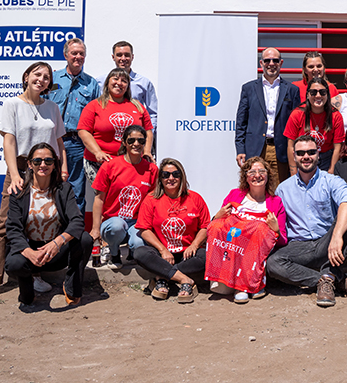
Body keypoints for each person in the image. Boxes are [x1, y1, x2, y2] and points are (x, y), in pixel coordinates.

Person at [0, 62, 68, 303]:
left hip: (46, 170)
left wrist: (62, 169)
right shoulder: (12, 104)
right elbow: (9, 142)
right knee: (5, 224)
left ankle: (34, 274)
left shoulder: (52, 107)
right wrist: (15, 174)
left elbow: (59, 143)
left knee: (41, 221)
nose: (41, 79)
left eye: (46, 77)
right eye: (37, 74)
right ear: (27, 76)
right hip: (20, 168)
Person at [265, 135, 347, 308]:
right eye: (301, 153)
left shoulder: (331, 181)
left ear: (318, 154)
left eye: (310, 152)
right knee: (273, 263)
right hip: (300, 246)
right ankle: (328, 279)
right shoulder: (283, 189)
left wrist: (337, 236)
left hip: (328, 242)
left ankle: (328, 276)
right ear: (294, 156)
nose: (306, 156)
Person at [5, 143, 92, 308]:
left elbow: (77, 221)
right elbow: (13, 229)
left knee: (85, 239)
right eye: (37, 161)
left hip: (55, 251)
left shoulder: (64, 189)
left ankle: (72, 286)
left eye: (48, 161)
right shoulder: (19, 191)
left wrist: (57, 242)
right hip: (31, 252)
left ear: (54, 164)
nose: (42, 165)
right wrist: (28, 252)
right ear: (29, 164)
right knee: (14, 263)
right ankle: (27, 289)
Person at [133, 158, 210, 304]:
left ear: (182, 176)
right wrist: (162, 250)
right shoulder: (151, 199)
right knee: (140, 252)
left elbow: (205, 227)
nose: (171, 178)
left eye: (175, 174)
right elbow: (144, 229)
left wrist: (194, 245)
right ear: (160, 179)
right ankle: (184, 280)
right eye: (165, 175)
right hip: (163, 254)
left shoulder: (195, 198)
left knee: (207, 256)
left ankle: (161, 277)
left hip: (188, 253)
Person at [213, 156, 287, 303]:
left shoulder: (276, 202)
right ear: (245, 177)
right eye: (252, 172)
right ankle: (247, 285)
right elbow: (219, 227)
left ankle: (246, 285)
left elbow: (283, 240)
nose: (257, 175)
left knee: (258, 231)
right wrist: (216, 216)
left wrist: (276, 230)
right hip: (233, 248)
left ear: (268, 175)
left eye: (261, 171)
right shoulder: (234, 195)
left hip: (258, 250)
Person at [90, 125, 159, 268]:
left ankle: (133, 252)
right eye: (131, 140)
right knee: (117, 226)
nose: (136, 144)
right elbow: (99, 198)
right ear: (124, 142)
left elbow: (154, 201)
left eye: (140, 140)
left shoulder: (151, 169)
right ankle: (114, 253)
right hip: (113, 221)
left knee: (139, 243)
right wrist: (95, 229)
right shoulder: (110, 165)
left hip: (136, 222)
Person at [47, 38, 101, 215]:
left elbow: (96, 115)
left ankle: (74, 234)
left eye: (81, 54)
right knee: (49, 186)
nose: (78, 57)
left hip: (77, 144)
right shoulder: (52, 78)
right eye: (74, 53)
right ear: (65, 55)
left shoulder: (91, 84)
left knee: (76, 190)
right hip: (51, 142)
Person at [78, 68, 154, 187]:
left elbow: (148, 130)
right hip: (100, 163)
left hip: (130, 163)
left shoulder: (138, 106)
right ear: (107, 82)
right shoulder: (94, 105)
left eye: (124, 81)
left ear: (128, 86)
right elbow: (84, 131)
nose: (119, 83)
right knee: (105, 199)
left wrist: (147, 151)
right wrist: (97, 152)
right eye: (115, 79)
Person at [235, 47, 300, 183]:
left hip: (280, 149)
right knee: (254, 187)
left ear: (281, 63)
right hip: (255, 149)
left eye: (275, 60)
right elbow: (241, 122)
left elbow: (297, 124)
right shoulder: (248, 88)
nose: (271, 63)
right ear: (261, 63)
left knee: (279, 189)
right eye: (267, 60)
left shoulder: (292, 90)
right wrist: (240, 149)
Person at [284, 77, 345, 174]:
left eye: (322, 92)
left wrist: (331, 170)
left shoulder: (335, 116)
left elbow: (337, 147)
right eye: (313, 92)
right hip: (303, 158)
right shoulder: (297, 114)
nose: (318, 95)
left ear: (327, 95)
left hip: (326, 159)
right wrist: (293, 172)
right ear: (308, 94)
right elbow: (290, 146)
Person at [99, 41, 158, 131]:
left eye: (127, 55)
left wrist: (147, 135)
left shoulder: (144, 83)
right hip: (108, 136)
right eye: (119, 55)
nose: (123, 58)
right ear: (113, 57)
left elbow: (153, 113)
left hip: (136, 139)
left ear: (132, 57)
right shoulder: (101, 82)